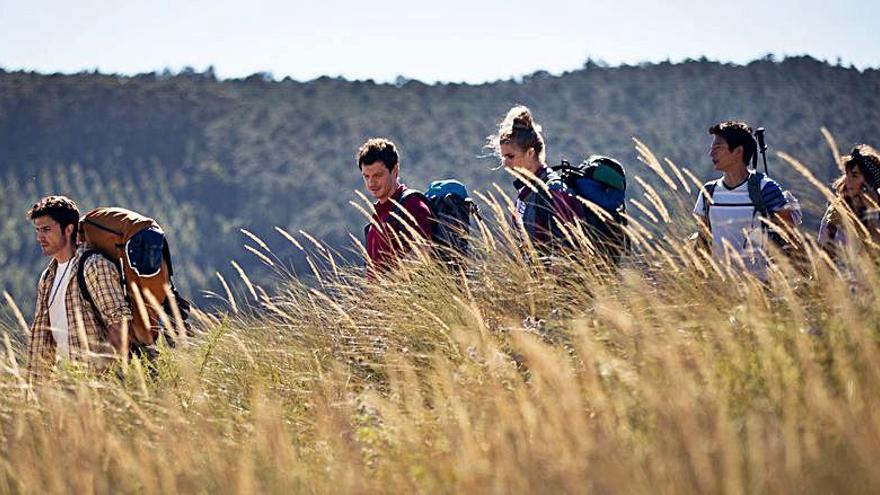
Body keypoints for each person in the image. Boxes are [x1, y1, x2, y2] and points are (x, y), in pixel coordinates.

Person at [26, 196, 131, 380]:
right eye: (37, 230)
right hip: (66, 386)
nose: (40, 237)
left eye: (46, 230)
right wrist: (36, 389)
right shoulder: (47, 277)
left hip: (98, 388)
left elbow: (120, 324)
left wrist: (100, 379)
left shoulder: (94, 265)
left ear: (68, 229)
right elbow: (42, 340)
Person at [692, 121, 798, 280]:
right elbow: (703, 239)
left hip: (762, 288)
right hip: (719, 287)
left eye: (718, 148)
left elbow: (789, 235)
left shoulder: (765, 188)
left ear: (738, 151)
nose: (711, 154)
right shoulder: (708, 192)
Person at [488, 105, 580, 254]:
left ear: (530, 153)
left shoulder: (552, 190)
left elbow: (567, 250)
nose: (505, 163)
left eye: (510, 156)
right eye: (503, 157)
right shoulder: (526, 191)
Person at [358, 138, 434, 274]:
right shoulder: (375, 219)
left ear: (395, 170)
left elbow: (422, 256)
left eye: (378, 175)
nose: (371, 183)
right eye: (366, 176)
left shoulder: (413, 205)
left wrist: (386, 287)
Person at [818, 145, 880, 256]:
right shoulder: (835, 211)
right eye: (847, 174)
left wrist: (872, 212)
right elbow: (824, 255)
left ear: (870, 182)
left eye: (854, 175)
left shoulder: (877, 213)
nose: (847, 180)